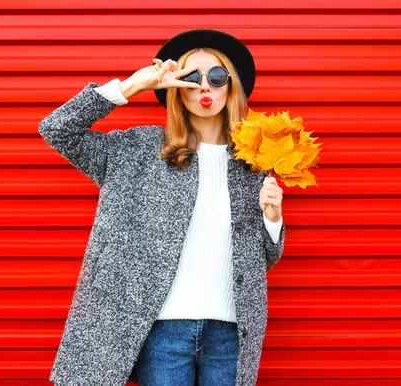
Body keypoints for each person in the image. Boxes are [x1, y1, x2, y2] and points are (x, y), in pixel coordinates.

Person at [38, 29, 286, 386]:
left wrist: (273, 219)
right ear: (175, 88)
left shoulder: (253, 162)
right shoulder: (137, 150)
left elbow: (266, 258)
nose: (204, 87)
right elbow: (58, 130)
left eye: (216, 77)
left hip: (232, 332)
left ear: (231, 87)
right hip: (163, 329)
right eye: (190, 77)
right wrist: (131, 85)